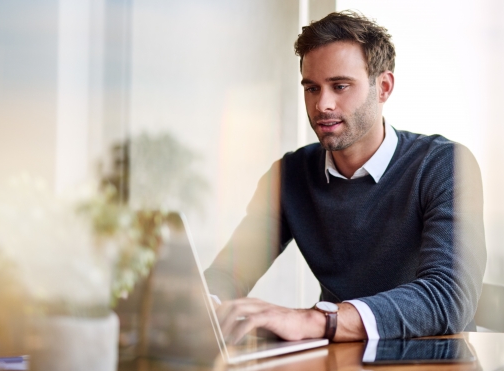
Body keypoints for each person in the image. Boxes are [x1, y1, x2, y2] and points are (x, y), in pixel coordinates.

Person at [204, 11, 486, 343]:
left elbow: (448, 297)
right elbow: (228, 273)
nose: (322, 104)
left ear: (383, 87)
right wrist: (206, 305)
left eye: (340, 86)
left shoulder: (443, 165)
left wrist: (319, 320)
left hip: (425, 359)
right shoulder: (290, 175)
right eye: (312, 88)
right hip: (336, 357)